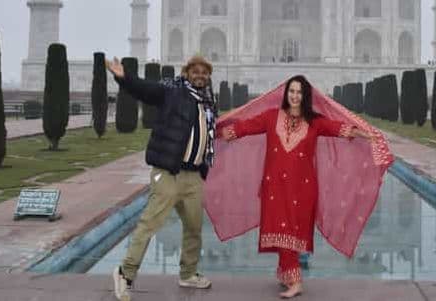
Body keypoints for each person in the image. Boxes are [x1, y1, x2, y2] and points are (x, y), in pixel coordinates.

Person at [205, 75, 393, 299]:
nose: (294, 96)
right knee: (279, 231)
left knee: (290, 232)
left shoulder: (315, 121)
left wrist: (366, 133)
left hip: (301, 190)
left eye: (299, 93)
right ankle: (286, 274)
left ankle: (296, 282)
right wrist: (212, 131)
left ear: (305, 97)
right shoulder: (271, 117)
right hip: (274, 188)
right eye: (291, 92)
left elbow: (340, 129)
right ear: (286, 94)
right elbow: (244, 127)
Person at [106, 55, 217, 301]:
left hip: (193, 175)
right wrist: (124, 77)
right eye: (195, 71)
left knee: (194, 228)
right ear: (187, 72)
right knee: (149, 224)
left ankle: (188, 274)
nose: (200, 75)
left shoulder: (208, 102)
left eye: (204, 72)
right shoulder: (172, 92)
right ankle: (125, 274)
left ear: (209, 76)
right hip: (168, 172)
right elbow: (146, 90)